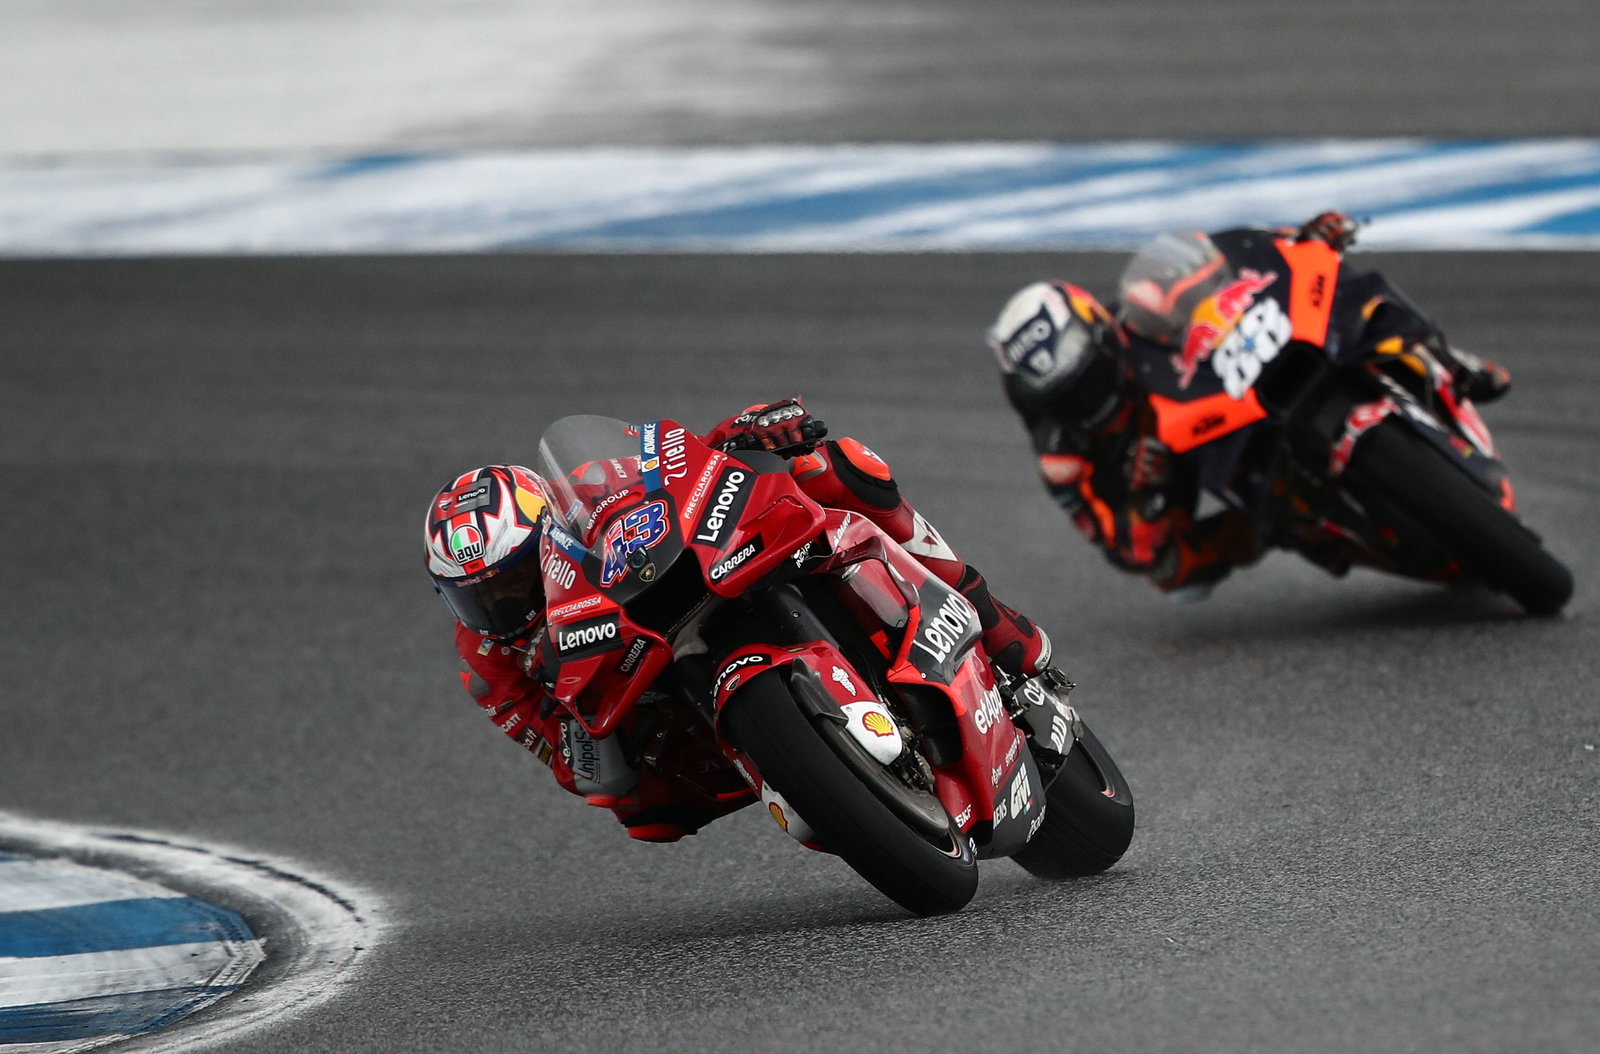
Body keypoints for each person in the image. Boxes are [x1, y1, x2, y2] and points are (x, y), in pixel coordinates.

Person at [423, 400, 1058, 843]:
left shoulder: (591, 481)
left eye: (513, 582)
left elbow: (675, 461)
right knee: (643, 812)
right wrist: (577, 739)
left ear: (551, 526)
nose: (504, 605)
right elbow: (562, 756)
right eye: (479, 598)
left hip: (687, 574)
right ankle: (806, 776)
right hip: (644, 692)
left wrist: (746, 429)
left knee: (836, 467)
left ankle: (993, 619)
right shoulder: (489, 658)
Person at [985, 210, 1512, 598]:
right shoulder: (1062, 454)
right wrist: (1148, 497)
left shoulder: (1141, 314)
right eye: (1066, 396)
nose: (1085, 398)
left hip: (1228, 389)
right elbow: (1128, 548)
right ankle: (1293, 527)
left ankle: (1447, 360)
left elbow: (1232, 268)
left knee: (1353, 295)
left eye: (1088, 378)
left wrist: (1300, 242)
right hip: (1176, 471)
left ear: (1102, 334)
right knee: (1173, 572)